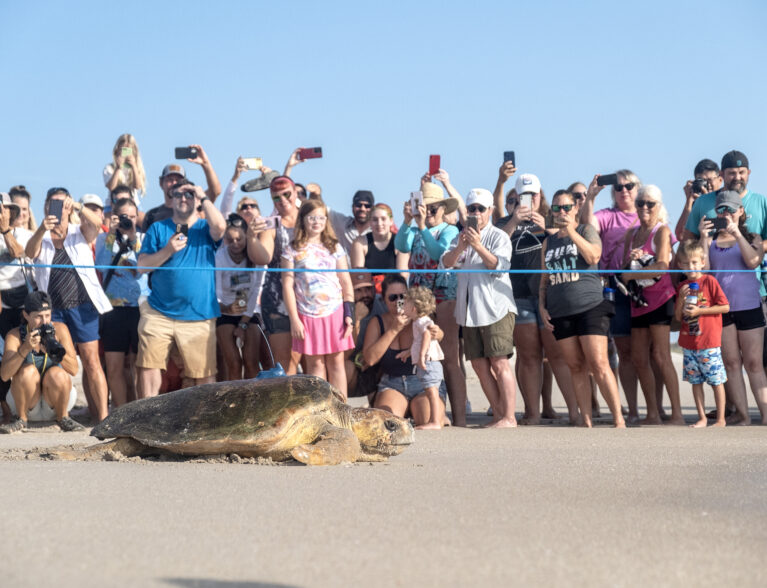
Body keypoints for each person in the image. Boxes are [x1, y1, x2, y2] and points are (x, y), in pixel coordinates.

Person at [496, 173, 578, 424]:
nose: (529, 199)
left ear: (540, 194)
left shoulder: (553, 218)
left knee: (557, 355)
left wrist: (547, 227)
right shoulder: (503, 222)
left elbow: (572, 240)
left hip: (549, 294)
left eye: (533, 194)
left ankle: (575, 412)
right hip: (518, 295)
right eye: (524, 195)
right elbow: (495, 246)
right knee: (529, 355)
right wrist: (513, 221)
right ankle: (532, 413)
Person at [539, 190, 625, 428]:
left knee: (598, 363)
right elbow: (544, 280)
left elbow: (593, 255)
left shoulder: (586, 230)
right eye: (556, 208)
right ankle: (585, 419)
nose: (562, 212)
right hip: (560, 309)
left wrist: (571, 232)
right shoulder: (548, 242)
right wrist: (541, 306)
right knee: (575, 366)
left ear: (576, 208)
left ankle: (618, 418)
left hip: (590, 305)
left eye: (566, 207)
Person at [25, 187, 112, 423]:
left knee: (92, 361)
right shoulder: (40, 236)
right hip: (53, 310)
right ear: (45, 207)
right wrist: (43, 227)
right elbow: (30, 253)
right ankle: (62, 415)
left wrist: (79, 207)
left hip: (84, 307)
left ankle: (103, 417)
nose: (59, 208)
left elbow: (99, 225)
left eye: (62, 204)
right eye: (53, 204)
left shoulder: (79, 231)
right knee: (58, 359)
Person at [136, 181, 226, 396]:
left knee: (204, 374)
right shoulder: (158, 228)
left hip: (199, 314)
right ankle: (149, 419)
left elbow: (221, 227)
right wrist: (167, 250)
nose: (183, 198)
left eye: (188, 194)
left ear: (196, 199)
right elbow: (142, 267)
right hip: (158, 311)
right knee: (148, 366)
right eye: (178, 194)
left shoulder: (205, 227)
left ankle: (204, 424)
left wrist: (203, 197)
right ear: (171, 199)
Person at [441, 188, 517, 428]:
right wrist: (462, 247)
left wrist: (478, 245)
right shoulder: (460, 237)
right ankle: (498, 413)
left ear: (490, 211)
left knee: (499, 361)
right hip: (468, 310)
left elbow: (500, 267)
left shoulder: (499, 236)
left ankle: (510, 417)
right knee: (478, 364)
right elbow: (445, 263)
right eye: (471, 209)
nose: (475, 213)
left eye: (480, 209)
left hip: (495, 308)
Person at [395, 181, 467, 425]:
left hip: (444, 294)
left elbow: (438, 255)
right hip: (419, 298)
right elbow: (401, 246)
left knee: (448, 357)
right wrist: (407, 222)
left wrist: (423, 226)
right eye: (424, 208)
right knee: (423, 353)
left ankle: (460, 418)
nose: (428, 213)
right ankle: (437, 414)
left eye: (433, 208)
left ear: (442, 209)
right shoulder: (415, 230)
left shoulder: (450, 230)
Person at [699, 190, 767, 425]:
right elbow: (704, 270)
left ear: (741, 211)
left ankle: (766, 415)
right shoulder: (710, 240)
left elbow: (753, 261)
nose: (726, 214)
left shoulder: (754, 237)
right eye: (721, 210)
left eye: (730, 209)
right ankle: (744, 415)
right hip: (722, 309)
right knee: (731, 363)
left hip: (749, 306)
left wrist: (736, 232)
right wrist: (702, 237)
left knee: (754, 363)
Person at [619, 185, 683, 425]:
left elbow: (663, 265)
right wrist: (632, 263)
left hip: (660, 299)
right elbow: (626, 266)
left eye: (650, 204)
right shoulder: (631, 234)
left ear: (659, 206)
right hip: (638, 301)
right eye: (640, 203)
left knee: (661, 355)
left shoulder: (662, 231)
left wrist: (631, 275)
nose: (644, 207)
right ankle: (653, 413)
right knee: (638, 358)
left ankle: (677, 414)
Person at [581, 170, 641, 422]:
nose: (624, 190)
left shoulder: (649, 213)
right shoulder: (607, 216)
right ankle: (626, 409)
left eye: (629, 186)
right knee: (618, 351)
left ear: (638, 188)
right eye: (618, 187)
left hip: (643, 289)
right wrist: (590, 198)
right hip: (611, 286)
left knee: (644, 354)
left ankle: (646, 409)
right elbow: (587, 228)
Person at [281, 200, 355, 398]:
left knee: (336, 362)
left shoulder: (335, 247)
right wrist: (294, 319)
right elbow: (287, 285)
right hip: (307, 312)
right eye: (312, 217)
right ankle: (321, 410)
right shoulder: (292, 249)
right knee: (315, 364)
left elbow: (346, 281)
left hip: (335, 311)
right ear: (303, 220)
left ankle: (341, 409)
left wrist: (350, 313)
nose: (316, 221)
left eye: (321, 217)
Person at [362, 275, 447, 426]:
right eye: (393, 297)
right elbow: (369, 359)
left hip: (422, 382)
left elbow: (436, 333)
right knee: (387, 424)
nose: (398, 302)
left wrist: (438, 333)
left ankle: (439, 415)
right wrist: (393, 330)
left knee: (427, 420)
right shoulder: (378, 322)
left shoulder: (418, 318)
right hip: (393, 383)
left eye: (403, 297)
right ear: (384, 299)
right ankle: (406, 411)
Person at [0, 291, 82, 433]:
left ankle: (63, 418)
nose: (44, 322)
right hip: (27, 403)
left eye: (47, 315)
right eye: (38, 316)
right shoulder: (15, 335)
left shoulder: (60, 329)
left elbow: (74, 370)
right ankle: (21, 420)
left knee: (57, 373)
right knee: (28, 371)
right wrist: (24, 349)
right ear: (26, 315)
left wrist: (54, 351)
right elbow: (5, 375)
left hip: (55, 403)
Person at [94, 197, 147, 407]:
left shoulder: (142, 237)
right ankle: (120, 413)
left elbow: (142, 270)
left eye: (133, 217)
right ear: (114, 217)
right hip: (112, 309)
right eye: (124, 217)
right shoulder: (103, 239)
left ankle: (141, 411)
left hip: (139, 308)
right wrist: (111, 234)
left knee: (140, 366)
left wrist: (132, 236)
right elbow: (101, 266)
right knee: (114, 366)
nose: (129, 221)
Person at [247, 176, 301, 374]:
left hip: (310, 299)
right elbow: (263, 257)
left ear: (296, 193)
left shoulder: (310, 218)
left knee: (316, 364)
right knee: (285, 366)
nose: (283, 200)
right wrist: (251, 237)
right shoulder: (272, 224)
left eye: (287, 194)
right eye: (276, 198)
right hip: (279, 301)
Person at [674, 241, 730, 428]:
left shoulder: (709, 281)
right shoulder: (682, 285)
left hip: (709, 343)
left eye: (695, 262)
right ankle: (702, 418)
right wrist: (681, 299)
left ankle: (721, 419)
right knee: (695, 382)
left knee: (716, 381)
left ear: (703, 262)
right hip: (689, 344)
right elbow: (676, 317)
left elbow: (725, 306)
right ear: (680, 265)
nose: (691, 267)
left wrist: (700, 312)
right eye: (687, 263)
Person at [215, 214, 263, 380]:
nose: (235, 244)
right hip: (226, 312)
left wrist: (243, 323)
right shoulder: (220, 256)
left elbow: (256, 289)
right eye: (230, 239)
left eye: (239, 239)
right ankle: (234, 402)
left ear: (246, 237)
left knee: (251, 362)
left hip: (249, 313)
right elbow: (217, 290)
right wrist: (225, 307)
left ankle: (254, 400)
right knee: (234, 363)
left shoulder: (255, 255)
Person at [0, 193, 30, 422]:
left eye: (4, 208)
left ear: (11, 211)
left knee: (19, 353)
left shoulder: (22, 233)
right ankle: (5, 409)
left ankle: (21, 407)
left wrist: (4, 231)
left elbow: (18, 252)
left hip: (20, 302)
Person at [143, 144, 222, 231]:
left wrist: (205, 163)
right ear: (161, 183)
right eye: (170, 180)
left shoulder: (196, 204)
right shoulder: (153, 215)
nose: (174, 183)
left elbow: (215, 191)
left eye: (178, 180)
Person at [400, 287, 445, 429]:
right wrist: (409, 352)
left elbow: (426, 335)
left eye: (405, 303)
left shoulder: (421, 322)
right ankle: (434, 420)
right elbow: (418, 342)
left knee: (432, 392)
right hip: (429, 361)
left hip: (429, 362)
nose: (402, 305)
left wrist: (420, 356)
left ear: (414, 308)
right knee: (430, 391)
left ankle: (435, 421)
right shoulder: (418, 321)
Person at [350, 203, 408, 293]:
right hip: (370, 294)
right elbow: (359, 278)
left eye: (383, 219)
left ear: (391, 221)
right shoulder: (360, 243)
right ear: (369, 222)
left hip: (394, 293)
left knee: (399, 296)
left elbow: (402, 277)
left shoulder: (400, 243)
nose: (379, 223)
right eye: (375, 220)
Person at [675, 159, 724, 241]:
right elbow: (680, 236)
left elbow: (723, 229)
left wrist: (707, 202)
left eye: (709, 180)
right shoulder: (695, 203)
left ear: (720, 180)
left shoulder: (727, 201)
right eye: (702, 181)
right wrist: (688, 201)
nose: (707, 185)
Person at [103, 134, 147, 207]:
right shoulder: (109, 168)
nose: (126, 154)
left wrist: (133, 166)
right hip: (113, 204)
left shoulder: (138, 168)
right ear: (117, 151)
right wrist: (118, 168)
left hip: (133, 204)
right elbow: (111, 187)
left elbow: (137, 186)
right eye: (123, 150)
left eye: (129, 151)